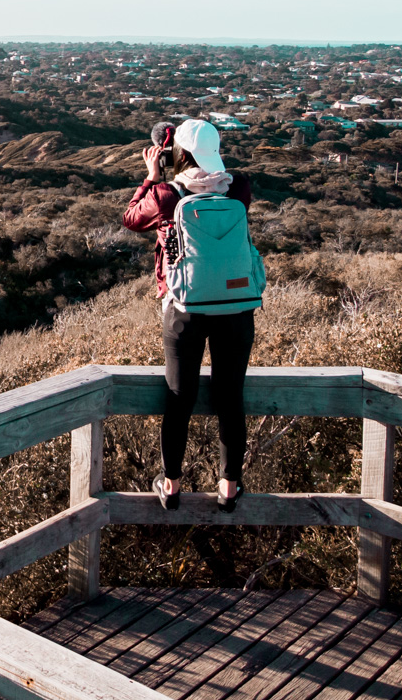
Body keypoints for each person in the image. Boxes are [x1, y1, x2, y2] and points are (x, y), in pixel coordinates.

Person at [121, 119, 255, 512]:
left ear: (178, 153)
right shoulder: (240, 188)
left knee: (180, 396)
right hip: (237, 306)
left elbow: (131, 219)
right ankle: (229, 490)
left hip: (184, 309)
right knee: (231, 396)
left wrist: (151, 176)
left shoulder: (166, 194)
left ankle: (172, 485)